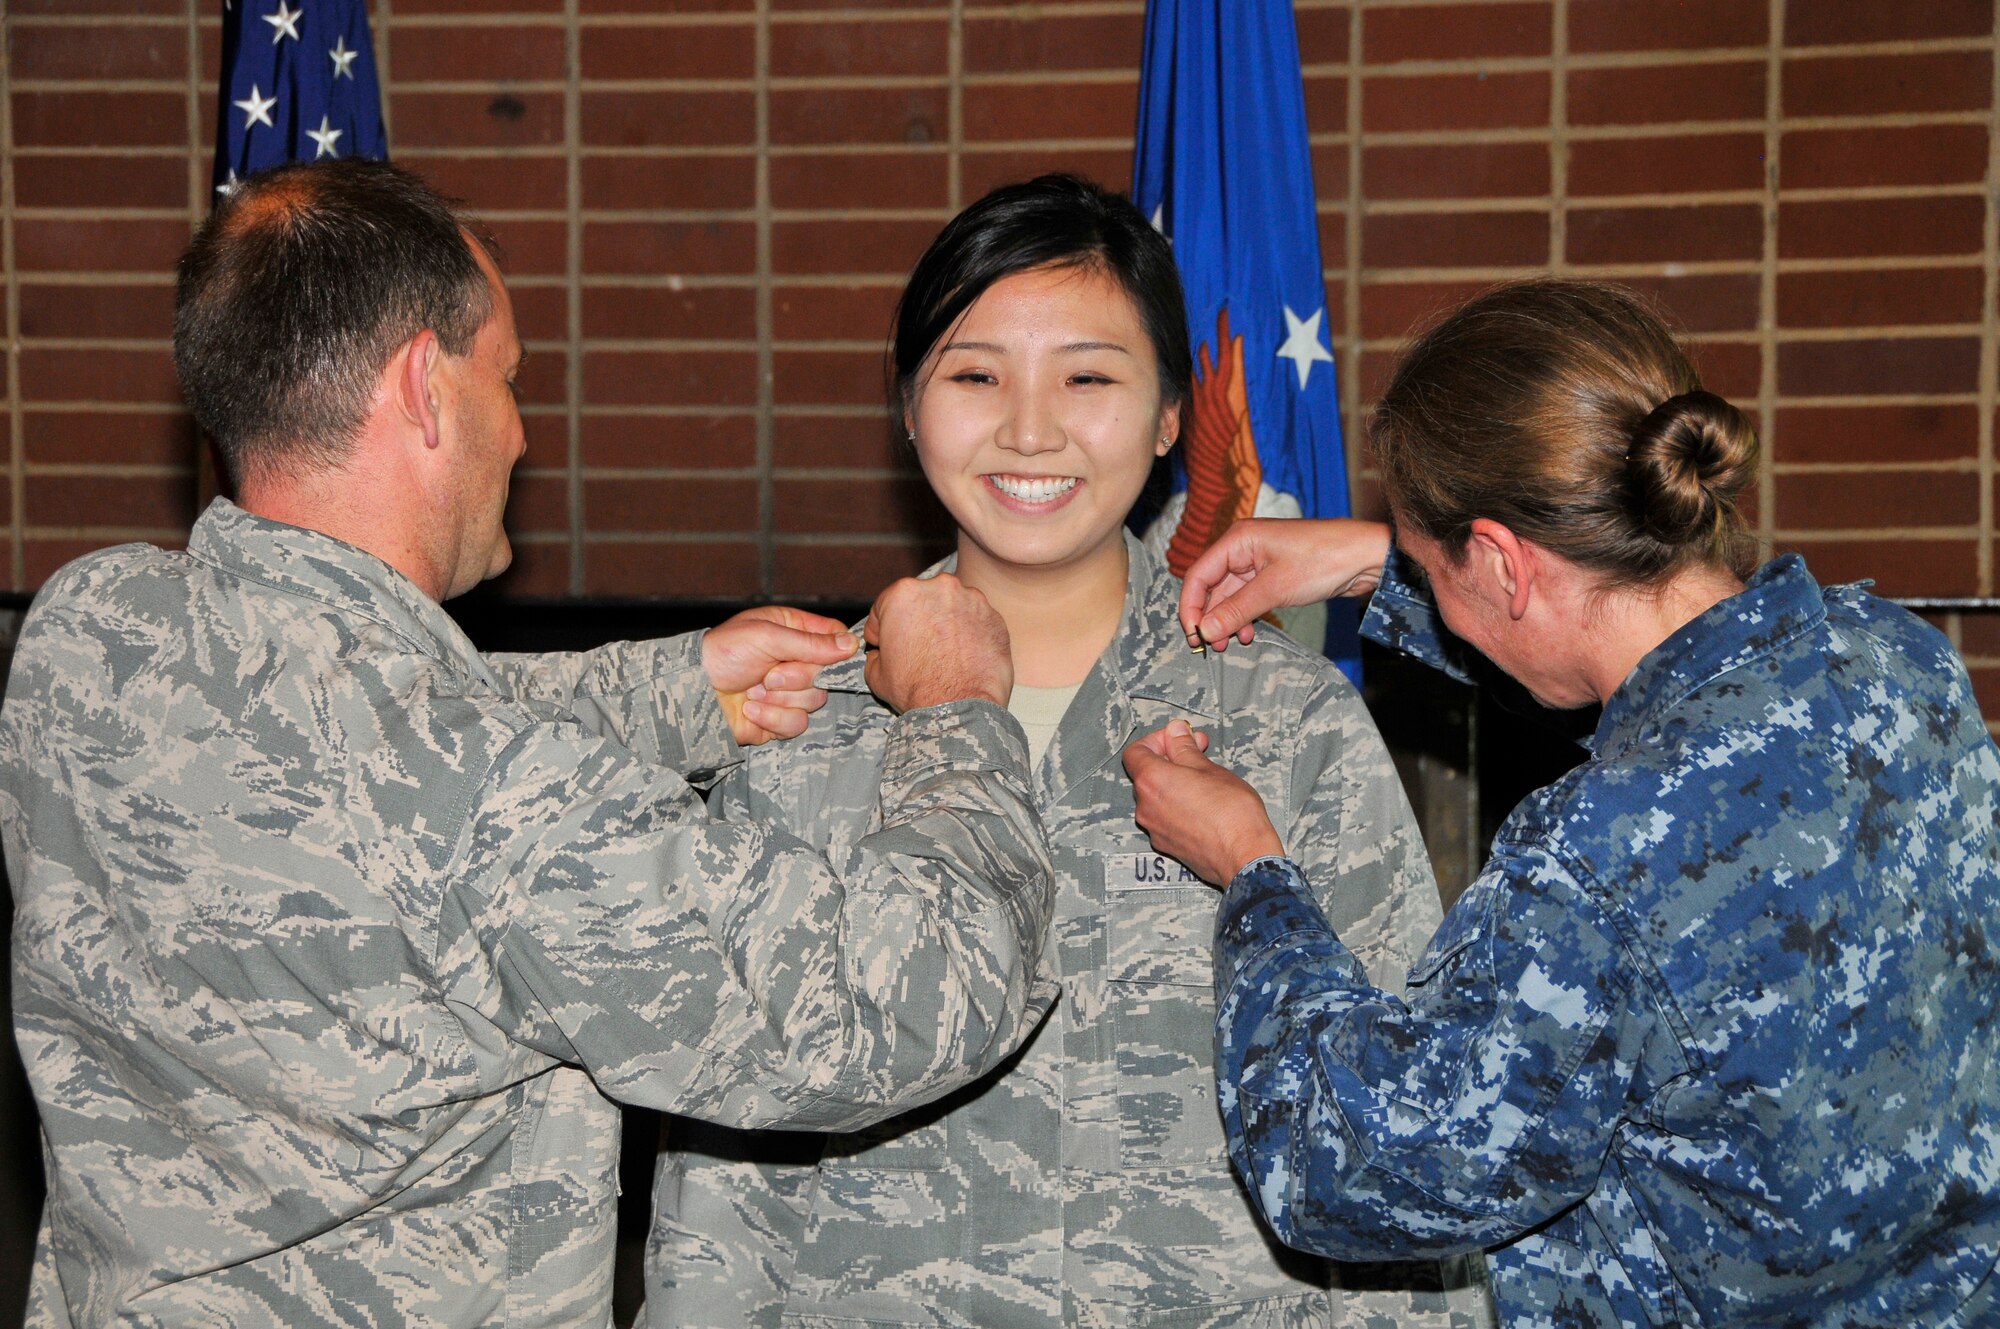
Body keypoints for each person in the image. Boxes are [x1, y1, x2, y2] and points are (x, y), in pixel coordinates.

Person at [0, 159, 1064, 1328]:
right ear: (422, 387)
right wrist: (959, 713)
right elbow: (906, 999)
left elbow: (362, 721)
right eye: (504, 378)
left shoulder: (92, 629)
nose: (519, 431)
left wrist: (671, 689)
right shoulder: (501, 807)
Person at [646, 174, 1490, 1328]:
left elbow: (1395, 1113)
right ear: (907, 409)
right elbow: (724, 1156)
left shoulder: (1283, 724)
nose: (1030, 429)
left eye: (1087, 377)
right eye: (975, 375)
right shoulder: (800, 721)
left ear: (1166, 418)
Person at [1125, 278, 2000, 1328]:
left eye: (1426, 559)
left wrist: (1251, 872)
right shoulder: (1893, 657)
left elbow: (1351, 1166)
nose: (1417, 574)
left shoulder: (1584, 865)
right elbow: (1701, 742)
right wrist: (1379, 568)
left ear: (1499, 558)